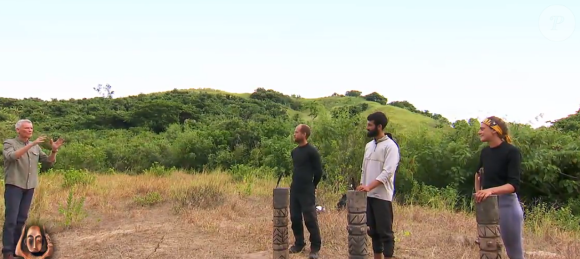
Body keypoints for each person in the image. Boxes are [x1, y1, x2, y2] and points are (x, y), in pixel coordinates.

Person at [2, 119, 64, 259]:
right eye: (26, 128)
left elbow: (48, 162)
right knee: (11, 219)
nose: (30, 130)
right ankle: (7, 252)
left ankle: (16, 250)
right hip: (14, 185)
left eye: (31, 128)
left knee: (21, 219)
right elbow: (12, 156)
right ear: (18, 130)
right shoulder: (9, 143)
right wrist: (32, 144)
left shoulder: (35, 146)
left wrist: (54, 151)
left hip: (29, 186)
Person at [474, 116, 524, 259]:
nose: (479, 132)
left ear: (494, 130)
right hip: (487, 205)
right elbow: (477, 174)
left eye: (482, 129)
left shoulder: (511, 151)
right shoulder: (485, 152)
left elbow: (513, 185)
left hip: (507, 206)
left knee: (514, 253)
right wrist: (479, 192)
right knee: (487, 247)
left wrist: (490, 190)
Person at [356, 112, 400, 259]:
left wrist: (370, 186)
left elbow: (387, 172)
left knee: (385, 232)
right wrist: (363, 185)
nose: (367, 127)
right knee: (373, 231)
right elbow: (364, 169)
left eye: (370, 125)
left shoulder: (390, 146)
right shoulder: (369, 146)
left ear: (379, 126)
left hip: (382, 196)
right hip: (368, 195)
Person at [288, 124, 323, 259]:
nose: (294, 134)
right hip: (295, 188)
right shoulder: (294, 152)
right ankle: (299, 243)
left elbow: (318, 171)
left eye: (296, 132)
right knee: (295, 217)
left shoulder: (312, 151)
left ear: (304, 134)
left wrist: (312, 185)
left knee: (310, 219)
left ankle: (315, 248)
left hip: (307, 189)